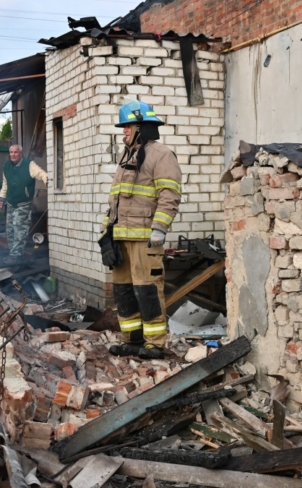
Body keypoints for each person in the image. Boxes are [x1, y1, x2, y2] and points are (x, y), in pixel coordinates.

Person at [101, 100, 182, 360]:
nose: (123, 131)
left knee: (147, 291)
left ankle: (154, 343)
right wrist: (106, 235)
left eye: (127, 126)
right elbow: (115, 201)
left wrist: (160, 227)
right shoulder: (127, 157)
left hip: (145, 239)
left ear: (141, 126)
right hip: (121, 239)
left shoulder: (161, 154)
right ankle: (132, 340)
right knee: (124, 292)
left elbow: (169, 194)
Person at [0, 144, 48, 265]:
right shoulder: (6, 166)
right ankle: (13, 253)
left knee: (19, 228)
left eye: (16, 152)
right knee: (10, 230)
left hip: (23, 204)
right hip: (10, 203)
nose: (14, 155)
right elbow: (5, 184)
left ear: (21, 154)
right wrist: (1, 199)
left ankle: (16, 256)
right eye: (12, 152)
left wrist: (47, 179)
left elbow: (41, 173)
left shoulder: (29, 165)